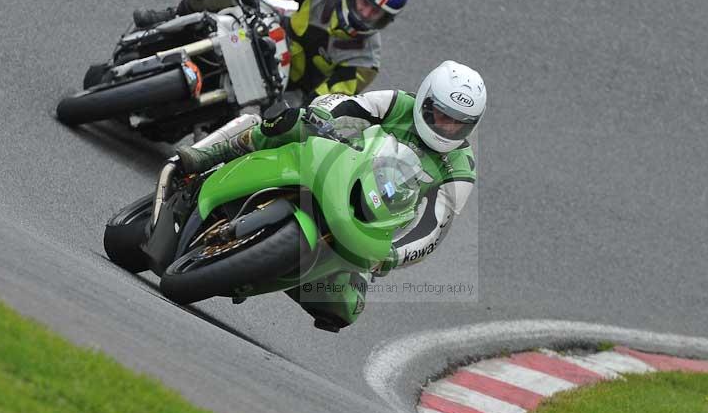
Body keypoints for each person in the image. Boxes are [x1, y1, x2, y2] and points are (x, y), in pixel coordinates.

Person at [171, 60, 485, 332]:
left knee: (344, 308)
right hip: (340, 165)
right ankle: (211, 155)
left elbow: (432, 228)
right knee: (288, 123)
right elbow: (346, 105)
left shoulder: (461, 168)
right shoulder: (397, 102)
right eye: (442, 115)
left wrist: (393, 255)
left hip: (370, 222)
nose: (447, 127)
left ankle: (268, 269)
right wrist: (325, 120)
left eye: (459, 123)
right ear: (426, 101)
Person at [134, 0, 410, 103]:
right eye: (365, 3)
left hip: (287, 90)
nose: (365, 15)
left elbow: (331, 98)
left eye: (377, 13)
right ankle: (173, 17)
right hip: (267, 33)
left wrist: (310, 115)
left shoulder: (366, 62)